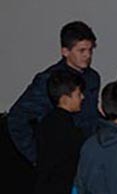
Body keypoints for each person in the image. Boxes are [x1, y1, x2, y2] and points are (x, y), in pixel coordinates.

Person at [7, 20, 100, 164]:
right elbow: (17, 118)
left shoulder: (92, 78)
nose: (87, 55)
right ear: (65, 51)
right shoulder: (47, 80)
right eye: (81, 50)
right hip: (58, 161)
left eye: (90, 50)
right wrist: (36, 156)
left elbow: (91, 116)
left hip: (86, 159)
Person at [34, 70, 86, 194]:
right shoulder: (71, 130)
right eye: (78, 94)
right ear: (65, 98)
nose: (82, 97)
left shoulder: (45, 122)